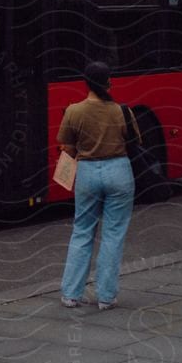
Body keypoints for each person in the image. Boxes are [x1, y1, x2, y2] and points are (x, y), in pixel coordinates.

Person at [57, 61, 136, 311]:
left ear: (86, 82)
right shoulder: (122, 111)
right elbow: (133, 141)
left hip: (88, 172)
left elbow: (66, 147)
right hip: (119, 170)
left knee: (82, 230)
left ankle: (71, 294)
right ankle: (106, 296)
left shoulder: (74, 111)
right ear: (108, 82)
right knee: (113, 235)